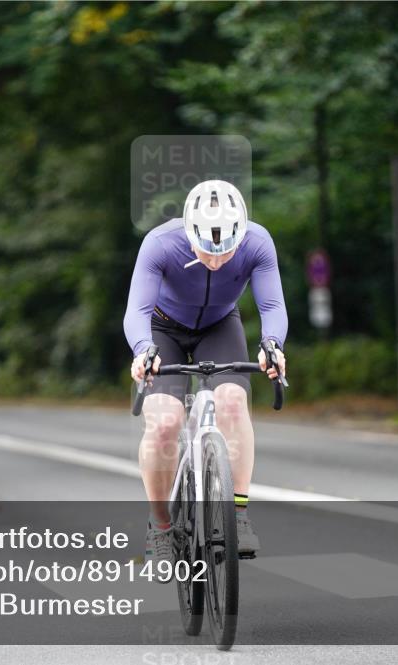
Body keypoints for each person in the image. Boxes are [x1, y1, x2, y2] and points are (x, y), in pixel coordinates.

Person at [124, 179, 287, 570]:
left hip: (219, 326)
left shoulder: (258, 243)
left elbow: (272, 305)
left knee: (233, 403)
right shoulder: (161, 244)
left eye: (225, 251)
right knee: (163, 422)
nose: (215, 260)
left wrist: (273, 345)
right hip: (163, 329)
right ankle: (161, 529)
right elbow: (137, 312)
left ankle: (240, 515)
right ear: (189, 231)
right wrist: (143, 351)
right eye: (207, 251)